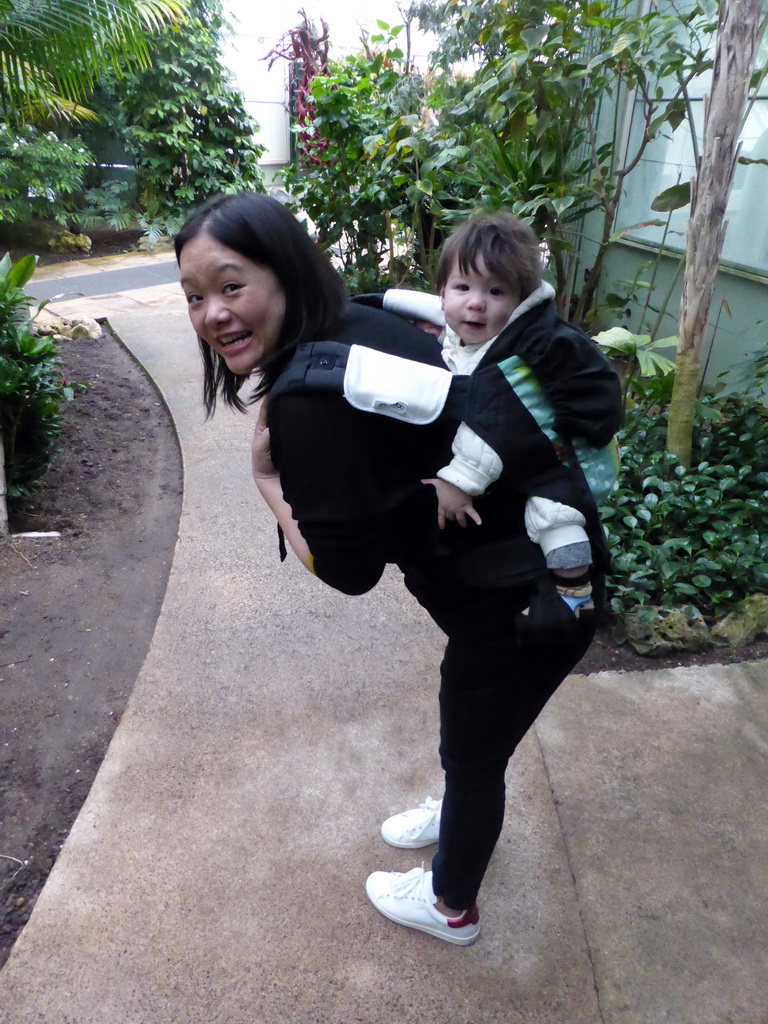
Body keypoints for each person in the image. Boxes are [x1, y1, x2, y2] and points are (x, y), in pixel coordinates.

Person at [176, 192, 622, 946]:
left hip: (522, 608)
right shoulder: (360, 320)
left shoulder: (309, 406)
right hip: (525, 581)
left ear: (284, 273)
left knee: (474, 753)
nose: (212, 314)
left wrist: (270, 486)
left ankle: (452, 906)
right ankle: (456, 813)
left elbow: (347, 572)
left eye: (230, 286)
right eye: (194, 297)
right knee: (477, 736)